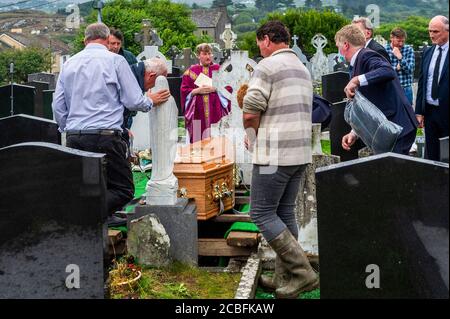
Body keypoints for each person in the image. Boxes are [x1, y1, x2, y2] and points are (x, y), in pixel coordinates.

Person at [52, 23, 170, 222]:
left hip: (75, 137)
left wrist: (69, 128)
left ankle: (98, 218)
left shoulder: (69, 64)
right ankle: (83, 215)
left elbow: (58, 105)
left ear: (84, 40)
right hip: (105, 137)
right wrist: (150, 101)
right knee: (124, 189)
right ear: (107, 40)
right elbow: (132, 100)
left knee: (91, 186)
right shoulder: (115, 61)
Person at [242, 20, 319, 299]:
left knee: (261, 212)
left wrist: (250, 136)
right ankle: (284, 277)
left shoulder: (267, 67)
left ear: (266, 39)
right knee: (285, 212)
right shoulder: (301, 67)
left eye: (259, 42)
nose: (259, 48)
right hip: (299, 152)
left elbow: (251, 109)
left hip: (274, 153)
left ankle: (303, 273)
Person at [337, 24, 418, 155]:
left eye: (338, 46)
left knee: (395, 173)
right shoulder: (358, 60)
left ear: (345, 45)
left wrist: (356, 80)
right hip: (388, 129)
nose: (339, 50)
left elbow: (387, 71)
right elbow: (368, 101)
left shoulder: (366, 55)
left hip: (398, 127)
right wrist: (354, 132)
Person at [180, 43, 231, 143]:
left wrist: (215, 89)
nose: (208, 56)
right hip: (197, 112)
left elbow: (228, 88)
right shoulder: (190, 72)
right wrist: (196, 91)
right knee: (198, 139)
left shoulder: (219, 70)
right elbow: (184, 91)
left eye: (209, 53)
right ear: (198, 55)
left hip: (215, 109)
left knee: (216, 140)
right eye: (204, 54)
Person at [415, 16, 449, 161]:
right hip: (430, 112)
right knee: (432, 151)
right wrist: (419, 111)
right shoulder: (428, 52)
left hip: (447, 111)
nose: (431, 35)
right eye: (430, 31)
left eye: (436, 31)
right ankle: (434, 180)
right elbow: (422, 82)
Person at [385, 28, 415, 104]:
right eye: (398, 41)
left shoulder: (409, 49)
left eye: (403, 41)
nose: (401, 44)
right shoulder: (384, 50)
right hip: (390, 88)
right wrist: (396, 68)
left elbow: (410, 70)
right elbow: (383, 71)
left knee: (407, 114)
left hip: (406, 89)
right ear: (391, 38)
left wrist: (400, 57)